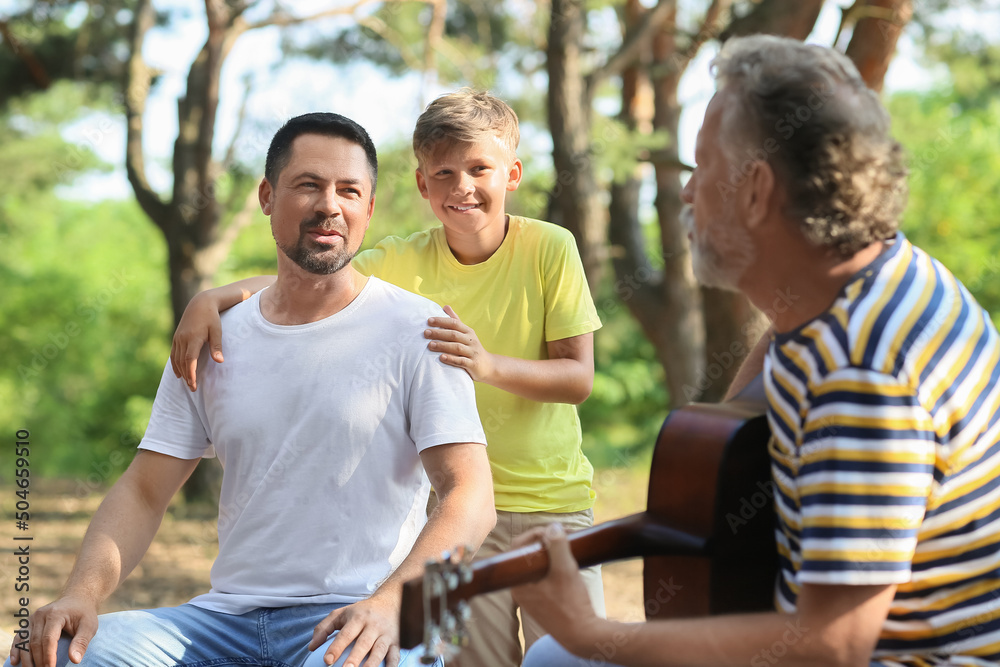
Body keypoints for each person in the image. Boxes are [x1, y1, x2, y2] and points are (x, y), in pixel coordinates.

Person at [512, 34, 1000, 667]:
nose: (687, 195)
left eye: (701, 169)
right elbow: (773, 354)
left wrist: (592, 633)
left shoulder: (862, 371)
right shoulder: (870, 278)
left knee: (556, 659)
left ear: (754, 189)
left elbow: (833, 644)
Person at [6, 112, 496, 667]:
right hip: (222, 623)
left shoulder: (419, 331)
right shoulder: (211, 340)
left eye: (349, 190)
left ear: (369, 209)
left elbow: (471, 499)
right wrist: (81, 593)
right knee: (49, 655)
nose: (330, 205)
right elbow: (144, 491)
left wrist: (390, 603)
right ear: (267, 196)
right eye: (308, 184)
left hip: (360, 615)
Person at [168, 89, 606, 666]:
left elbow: (577, 377)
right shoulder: (400, 259)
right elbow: (312, 273)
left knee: (573, 658)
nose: (462, 187)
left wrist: (486, 364)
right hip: (454, 518)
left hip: (550, 506)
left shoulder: (551, 248)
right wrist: (212, 297)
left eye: (480, 169)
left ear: (513, 174)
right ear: (423, 185)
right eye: (443, 173)